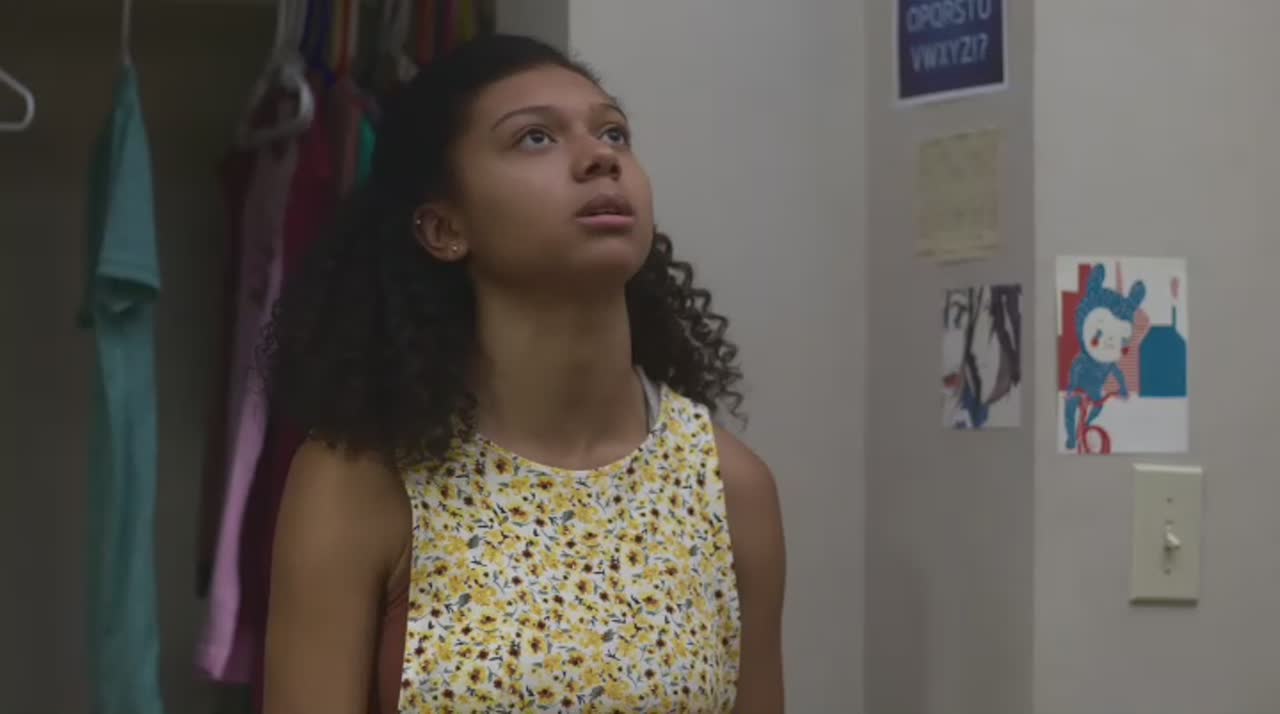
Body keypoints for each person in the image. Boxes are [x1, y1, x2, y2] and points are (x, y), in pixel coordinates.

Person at [260, 33, 786, 714]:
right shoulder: (362, 479)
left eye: (614, 133)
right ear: (443, 228)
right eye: (535, 138)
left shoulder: (730, 488)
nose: (600, 157)